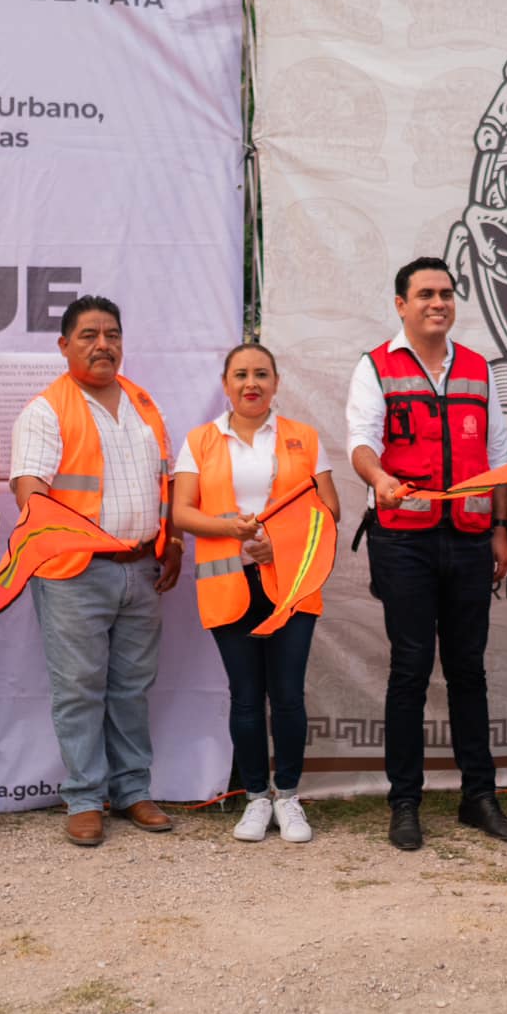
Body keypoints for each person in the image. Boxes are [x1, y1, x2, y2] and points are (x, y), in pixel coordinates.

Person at [346, 256, 507, 852]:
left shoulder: (477, 369)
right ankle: (405, 804)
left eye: (446, 293)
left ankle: (480, 798)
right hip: (404, 542)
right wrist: (379, 478)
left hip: (471, 537)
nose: (437, 303)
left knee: (469, 671)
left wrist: (501, 527)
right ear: (401, 304)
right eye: (425, 294)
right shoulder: (376, 367)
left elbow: (500, 455)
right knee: (410, 670)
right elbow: (362, 442)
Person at [10, 296, 184, 846]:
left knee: (132, 687)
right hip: (73, 573)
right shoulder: (46, 410)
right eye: (88, 335)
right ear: (64, 346)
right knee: (80, 688)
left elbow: (168, 482)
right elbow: (29, 489)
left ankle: (133, 790)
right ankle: (85, 797)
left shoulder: (145, 403)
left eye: (111, 333)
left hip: (141, 567)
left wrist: (172, 539)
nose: (102, 344)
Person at [170, 343, 338, 844]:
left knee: (287, 695)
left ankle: (288, 797)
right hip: (228, 584)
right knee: (245, 698)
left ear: (276, 383)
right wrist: (237, 533)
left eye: (261, 374)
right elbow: (181, 512)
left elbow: (328, 510)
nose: (251, 383)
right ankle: (255, 800)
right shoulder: (200, 441)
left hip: (292, 584)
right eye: (241, 374)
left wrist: (276, 544)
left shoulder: (303, 439)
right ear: (225, 384)